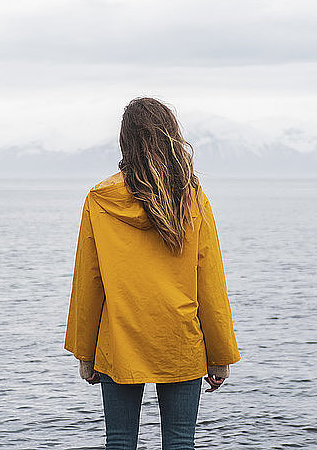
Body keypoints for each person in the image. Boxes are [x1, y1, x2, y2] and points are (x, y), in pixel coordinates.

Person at [64, 96, 241, 450]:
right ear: (171, 136)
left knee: (119, 442)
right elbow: (209, 281)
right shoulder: (191, 199)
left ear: (124, 142)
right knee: (179, 443)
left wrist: (86, 352)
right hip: (179, 338)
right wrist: (219, 354)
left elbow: (89, 281)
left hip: (119, 337)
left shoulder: (100, 199)